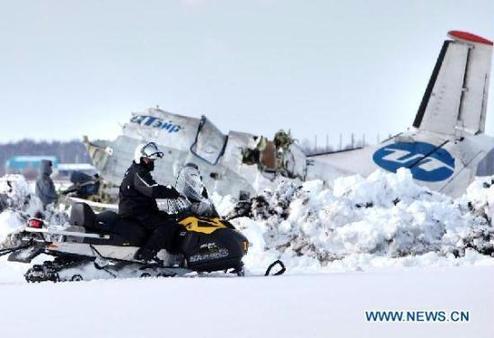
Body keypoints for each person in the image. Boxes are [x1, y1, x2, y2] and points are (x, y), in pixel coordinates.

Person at [118, 142, 183, 262]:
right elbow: (152, 189)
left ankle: (168, 253)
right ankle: (147, 254)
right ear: (140, 158)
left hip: (137, 208)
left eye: (152, 160)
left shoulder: (136, 170)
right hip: (135, 212)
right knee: (167, 225)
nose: (151, 162)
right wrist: (174, 193)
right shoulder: (139, 172)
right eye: (148, 159)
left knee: (168, 217)